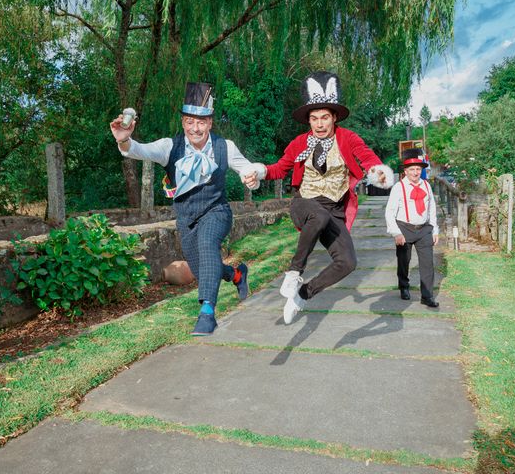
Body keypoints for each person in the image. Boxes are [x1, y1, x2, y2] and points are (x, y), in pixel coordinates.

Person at [110, 82, 262, 335]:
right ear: (183, 123)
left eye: (202, 122)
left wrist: (252, 177)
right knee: (203, 268)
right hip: (185, 218)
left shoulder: (226, 147)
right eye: (190, 121)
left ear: (210, 123)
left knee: (207, 245)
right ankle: (237, 275)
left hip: (217, 211)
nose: (196, 128)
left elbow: (248, 169)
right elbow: (139, 150)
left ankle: (207, 313)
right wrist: (125, 141)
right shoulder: (170, 146)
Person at [247, 71, 393, 324]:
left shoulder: (347, 138)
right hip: (305, 203)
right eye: (314, 118)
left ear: (334, 117)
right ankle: (294, 272)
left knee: (347, 262)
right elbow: (280, 168)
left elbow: (367, 156)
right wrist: (259, 172)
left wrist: (377, 171)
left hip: (334, 209)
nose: (320, 124)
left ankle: (303, 294)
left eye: (325, 117)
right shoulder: (299, 142)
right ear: (309, 120)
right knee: (318, 214)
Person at [385, 148, 439, 307]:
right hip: (404, 228)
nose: (415, 172)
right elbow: (389, 212)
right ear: (405, 171)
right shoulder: (398, 188)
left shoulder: (427, 186)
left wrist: (435, 229)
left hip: (424, 229)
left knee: (428, 263)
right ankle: (404, 286)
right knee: (404, 261)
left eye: (418, 169)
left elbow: (431, 209)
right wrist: (396, 233)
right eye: (412, 169)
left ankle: (427, 296)